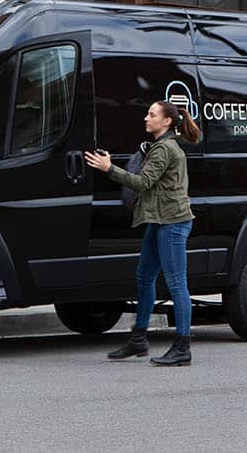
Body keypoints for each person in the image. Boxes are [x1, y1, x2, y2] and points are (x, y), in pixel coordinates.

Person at [85, 100, 201, 366]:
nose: (146, 119)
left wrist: (109, 168)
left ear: (167, 121)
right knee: (144, 276)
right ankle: (139, 338)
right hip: (159, 220)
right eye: (147, 114)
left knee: (176, 283)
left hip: (172, 223)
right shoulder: (161, 147)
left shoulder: (165, 149)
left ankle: (183, 347)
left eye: (152, 114)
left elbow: (142, 183)